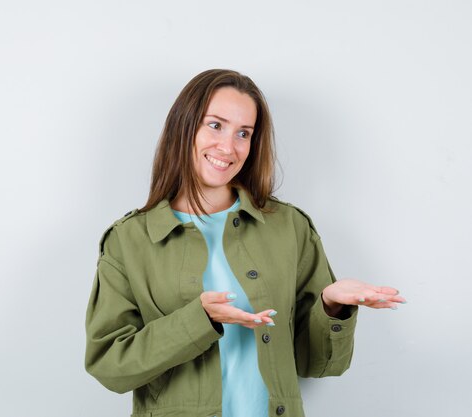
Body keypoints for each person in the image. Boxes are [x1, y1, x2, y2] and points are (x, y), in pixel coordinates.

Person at [85, 69, 405, 417]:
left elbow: (319, 365)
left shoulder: (289, 227)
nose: (228, 146)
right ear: (184, 126)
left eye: (243, 133)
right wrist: (199, 320)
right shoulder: (129, 241)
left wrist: (331, 307)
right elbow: (109, 366)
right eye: (215, 125)